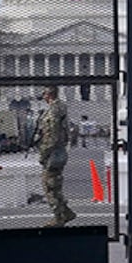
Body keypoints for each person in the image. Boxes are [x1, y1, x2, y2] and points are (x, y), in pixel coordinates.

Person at [36, 85, 75, 227]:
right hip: (60, 151)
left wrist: (43, 154)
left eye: (44, 94)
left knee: (49, 185)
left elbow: (51, 136)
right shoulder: (61, 107)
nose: (44, 97)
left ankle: (59, 217)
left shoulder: (53, 110)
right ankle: (65, 212)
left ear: (49, 94)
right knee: (55, 184)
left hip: (53, 153)